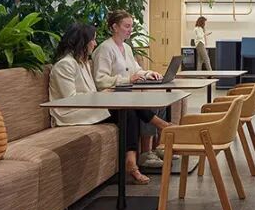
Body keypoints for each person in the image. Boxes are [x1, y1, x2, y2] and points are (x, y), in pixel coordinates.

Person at [52, 22, 171, 185]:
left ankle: (131, 160)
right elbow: (71, 99)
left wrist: (103, 94)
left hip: (88, 107)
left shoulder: (82, 62)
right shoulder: (65, 65)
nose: (95, 43)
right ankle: (163, 126)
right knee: (127, 108)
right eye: (92, 40)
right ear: (82, 42)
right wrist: (101, 95)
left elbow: (91, 91)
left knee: (129, 110)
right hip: (71, 113)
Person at [91, 10, 166, 169]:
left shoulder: (127, 48)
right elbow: (100, 80)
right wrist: (127, 79)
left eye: (131, 26)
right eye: (127, 26)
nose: (130, 30)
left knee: (159, 101)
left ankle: (157, 147)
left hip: (127, 94)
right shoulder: (105, 49)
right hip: (111, 98)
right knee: (140, 106)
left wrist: (148, 73)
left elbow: (136, 70)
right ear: (114, 27)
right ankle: (147, 151)